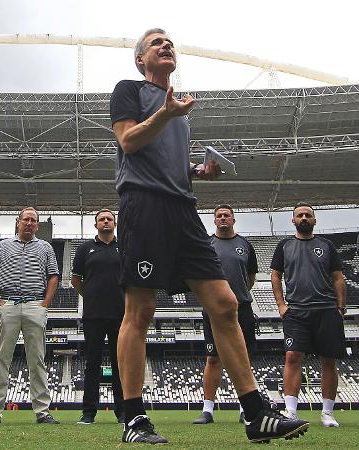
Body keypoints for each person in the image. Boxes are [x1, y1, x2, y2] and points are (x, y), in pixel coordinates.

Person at [110, 27, 309, 444]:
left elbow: (169, 166)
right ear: (140, 59)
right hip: (143, 207)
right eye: (156, 43)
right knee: (140, 311)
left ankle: (256, 414)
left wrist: (197, 172)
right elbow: (128, 142)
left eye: (170, 43)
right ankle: (134, 418)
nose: (167, 46)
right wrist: (166, 113)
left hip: (183, 211)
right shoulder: (129, 90)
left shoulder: (180, 112)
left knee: (225, 304)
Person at [0, 207, 59, 424]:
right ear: (18, 222)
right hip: (9, 303)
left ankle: (42, 411)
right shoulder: (3, 246)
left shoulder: (45, 247)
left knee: (37, 360)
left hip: (34, 303)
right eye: (26, 219)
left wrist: (44, 304)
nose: (29, 223)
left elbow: (53, 276)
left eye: (33, 220)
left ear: (38, 225)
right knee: (1, 359)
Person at [271, 202, 347, 427]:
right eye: (299, 215)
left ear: (314, 220)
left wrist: (341, 308)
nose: (304, 218)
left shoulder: (327, 245)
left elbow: (338, 277)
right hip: (296, 311)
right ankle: (291, 412)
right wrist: (281, 305)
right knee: (292, 357)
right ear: (293, 220)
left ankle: (327, 413)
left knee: (328, 360)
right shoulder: (284, 245)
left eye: (308, 215)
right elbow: (275, 276)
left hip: (326, 309)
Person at [193, 205, 258, 425]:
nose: (223, 218)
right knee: (213, 359)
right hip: (213, 309)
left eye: (226, 215)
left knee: (244, 359)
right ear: (214, 221)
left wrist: (236, 296)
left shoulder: (245, 245)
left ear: (233, 219)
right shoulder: (206, 245)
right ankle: (207, 410)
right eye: (219, 215)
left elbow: (250, 278)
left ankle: (246, 409)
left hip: (242, 309)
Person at [71, 209, 125, 424]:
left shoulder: (125, 247)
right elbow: (76, 280)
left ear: (114, 223)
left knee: (119, 363)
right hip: (93, 315)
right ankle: (88, 413)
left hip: (120, 314)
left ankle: (123, 411)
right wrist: (91, 295)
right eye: (101, 219)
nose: (105, 222)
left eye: (109, 219)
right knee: (92, 363)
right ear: (95, 225)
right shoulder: (85, 249)